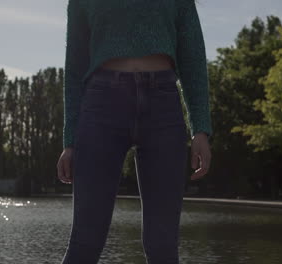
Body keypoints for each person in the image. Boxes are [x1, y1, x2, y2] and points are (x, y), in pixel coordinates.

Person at [57, 0, 212, 263]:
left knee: (162, 246)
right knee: (85, 242)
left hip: (163, 107)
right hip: (101, 106)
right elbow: (75, 68)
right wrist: (69, 142)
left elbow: (193, 57)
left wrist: (201, 129)